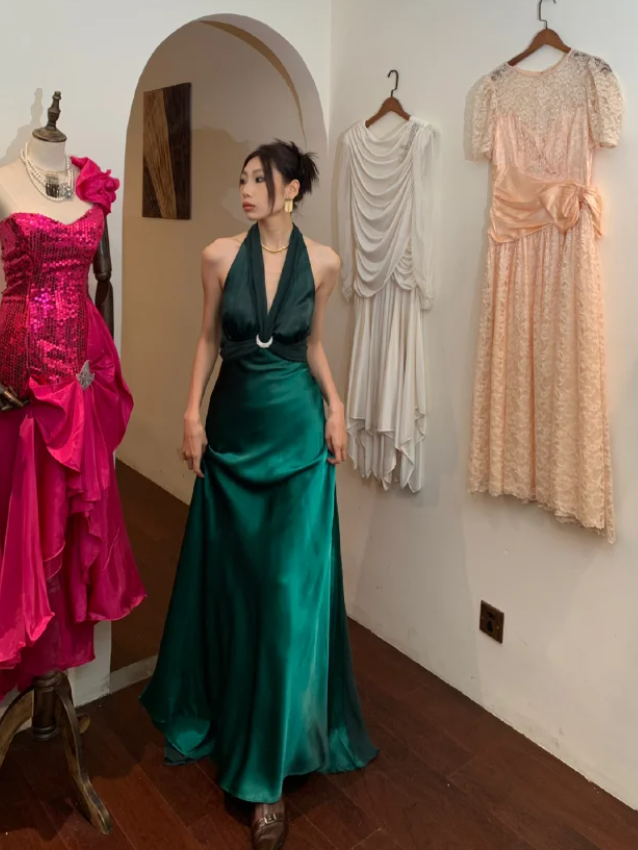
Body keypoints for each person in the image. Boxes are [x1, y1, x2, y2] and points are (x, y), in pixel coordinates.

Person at [140, 140, 377, 850]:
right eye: (241, 179)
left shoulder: (325, 263)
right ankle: (229, 708)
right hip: (234, 438)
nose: (245, 189)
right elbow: (208, 340)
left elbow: (312, 346)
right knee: (238, 587)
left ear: (292, 188)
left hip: (299, 441)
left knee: (287, 595)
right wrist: (191, 412)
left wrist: (336, 406)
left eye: (259, 179)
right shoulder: (218, 256)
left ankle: (266, 778)